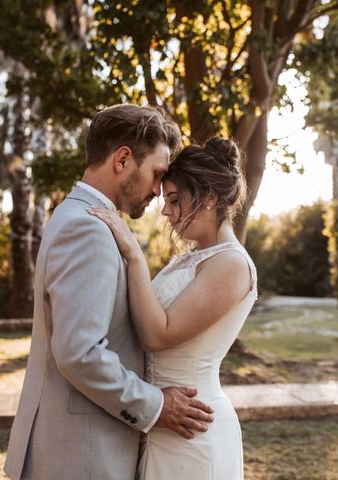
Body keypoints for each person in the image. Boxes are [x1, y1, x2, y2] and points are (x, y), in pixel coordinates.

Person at [4, 104, 214, 480]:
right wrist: (155, 405)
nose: (158, 190)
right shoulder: (88, 229)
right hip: (80, 456)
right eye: (156, 173)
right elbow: (79, 352)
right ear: (122, 160)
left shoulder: (77, 216)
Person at [89, 136, 258, 479]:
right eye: (166, 200)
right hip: (161, 422)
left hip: (194, 431)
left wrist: (134, 255)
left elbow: (157, 334)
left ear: (210, 198)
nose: (165, 211)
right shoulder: (194, 256)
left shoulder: (231, 264)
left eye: (176, 200)